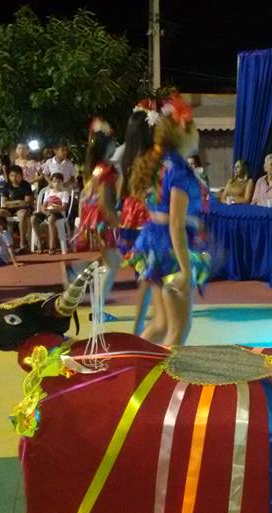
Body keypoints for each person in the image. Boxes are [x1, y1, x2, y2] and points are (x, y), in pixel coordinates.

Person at [126, 94, 211, 345]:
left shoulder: (160, 163)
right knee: (178, 330)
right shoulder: (179, 171)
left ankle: (135, 364)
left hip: (153, 241)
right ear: (184, 131)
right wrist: (185, 269)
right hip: (170, 248)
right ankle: (167, 371)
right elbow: (176, 223)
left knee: (161, 324)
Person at [72, 118, 122, 317]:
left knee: (109, 261)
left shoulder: (95, 168)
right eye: (113, 142)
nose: (115, 145)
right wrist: (117, 222)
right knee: (112, 264)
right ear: (106, 146)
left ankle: (77, 270)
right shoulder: (106, 170)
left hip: (95, 220)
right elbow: (104, 202)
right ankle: (98, 310)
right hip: (103, 221)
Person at [119, 100, 158, 335]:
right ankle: (141, 327)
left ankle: (144, 325)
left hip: (131, 216)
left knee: (147, 273)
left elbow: (124, 190)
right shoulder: (151, 157)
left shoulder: (127, 155)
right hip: (148, 216)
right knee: (149, 275)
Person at [30, 172, 70, 254]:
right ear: (51, 182)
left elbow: (64, 207)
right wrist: (44, 209)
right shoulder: (48, 192)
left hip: (58, 212)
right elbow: (43, 205)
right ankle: (40, 244)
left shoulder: (64, 193)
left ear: (62, 182)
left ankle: (52, 245)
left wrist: (54, 210)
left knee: (51, 219)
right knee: (33, 219)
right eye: (54, 182)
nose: (56, 184)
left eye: (59, 182)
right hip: (47, 211)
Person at [0, 165, 33, 251]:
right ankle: (5, 240)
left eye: (17, 176)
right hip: (9, 209)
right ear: (9, 176)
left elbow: (26, 202)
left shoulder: (26, 185)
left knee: (22, 214)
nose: (14, 178)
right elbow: (4, 203)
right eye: (12, 176)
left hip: (22, 209)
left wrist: (11, 203)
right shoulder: (7, 186)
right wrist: (18, 202)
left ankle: (22, 242)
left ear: (21, 176)